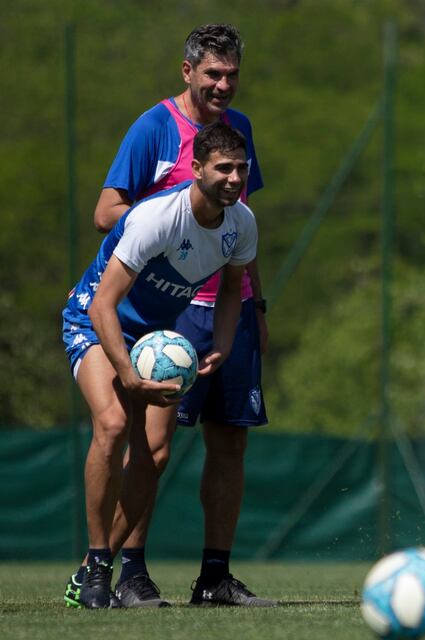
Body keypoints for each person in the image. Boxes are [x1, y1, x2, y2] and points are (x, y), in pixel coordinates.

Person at [64, 24, 274, 608]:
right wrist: (173, 220)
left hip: (212, 309)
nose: (223, 84)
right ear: (188, 72)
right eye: (213, 74)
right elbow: (107, 212)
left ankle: (213, 577)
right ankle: (117, 568)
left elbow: (241, 235)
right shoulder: (154, 129)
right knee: (147, 447)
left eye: (232, 74)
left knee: (229, 441)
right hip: (150, 310)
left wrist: (255, 308)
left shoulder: (237, 136)